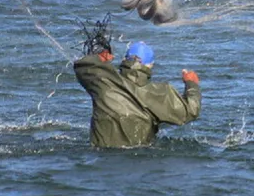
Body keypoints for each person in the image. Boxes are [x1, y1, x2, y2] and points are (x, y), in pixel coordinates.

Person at [73, 41, 201, 148]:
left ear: (124, 60)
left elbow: (83, 66)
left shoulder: (103, 81)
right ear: (150, 66)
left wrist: (99, 58)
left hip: (100, 157)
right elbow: (191, 110)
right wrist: (192, 84)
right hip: (138, 157)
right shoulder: (161, 93)